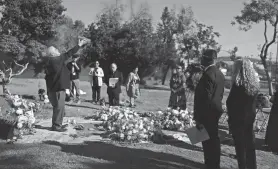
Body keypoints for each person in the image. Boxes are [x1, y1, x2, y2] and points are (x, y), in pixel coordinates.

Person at [44, 38, 89, 132]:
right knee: (59, 107)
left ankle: (57, 124)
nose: (58, 50)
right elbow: (69, 53)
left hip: (53, 88)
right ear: (53, 54)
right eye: (56, 50)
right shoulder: (57, 59)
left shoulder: (49, 62)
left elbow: (47, 77)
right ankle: (57, 126)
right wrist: (79, 45)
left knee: (58, 107)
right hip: (58, 88)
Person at [193, 49, 225, 169]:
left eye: (202, 58)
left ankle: (210, 163)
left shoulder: (207, 74)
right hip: (215, 110)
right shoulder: (219, 73)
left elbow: (205, 98)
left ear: (205, 59)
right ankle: (214, 163)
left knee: (206, 140)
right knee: (214, 138)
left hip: (207, 112)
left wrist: (199, 117)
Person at [226, 58, 259, 169]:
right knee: (250, 147)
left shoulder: (238, 86)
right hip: (250, 118)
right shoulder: (254, 85)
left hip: (238, 120)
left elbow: (230, 102)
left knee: (240, 149)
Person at [265, 85, 278, 152]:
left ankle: (271, 144)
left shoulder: (276, 93)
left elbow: (271, 100)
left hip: (275, 112)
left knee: (273, 127)